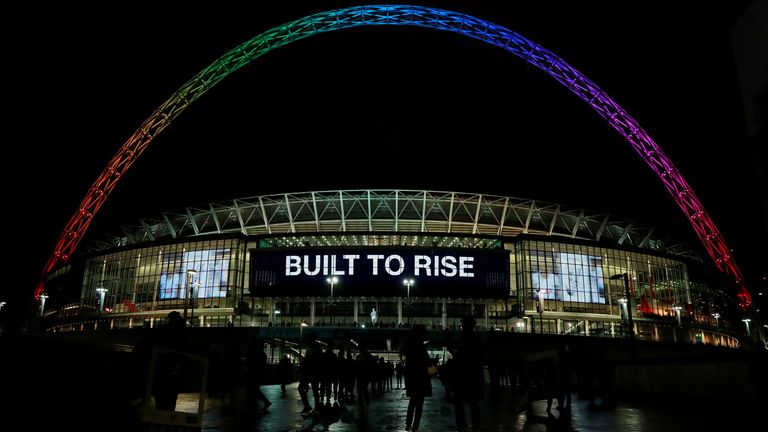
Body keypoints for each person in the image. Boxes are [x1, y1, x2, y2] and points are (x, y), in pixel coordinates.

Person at [450, 316, 484, 431]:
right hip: (473, 376)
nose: (462, 327)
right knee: (473, 404)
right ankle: (475, 426)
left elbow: (461, 358)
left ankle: (462, 425)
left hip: (463, 376)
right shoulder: (476, 340)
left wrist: (453, 351)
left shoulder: (464, 341)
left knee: (460, 403)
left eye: (463, 325)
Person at [401, 324, 432, 431]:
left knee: (412, 402)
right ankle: (415, 426)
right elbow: (427, 361)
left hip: (411, 377)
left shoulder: (408, 345)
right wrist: (433, 361)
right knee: (419, 404)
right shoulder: (421, 346)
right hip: (421, 377)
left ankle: (408, 424)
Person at [245, 336, 272, 412]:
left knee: (252, 389)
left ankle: (254, 404)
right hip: (258, 374)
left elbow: (251, 363)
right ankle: (263, 402)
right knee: (254, 389)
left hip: (253, 374)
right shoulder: (262, 354)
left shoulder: (254, 353)